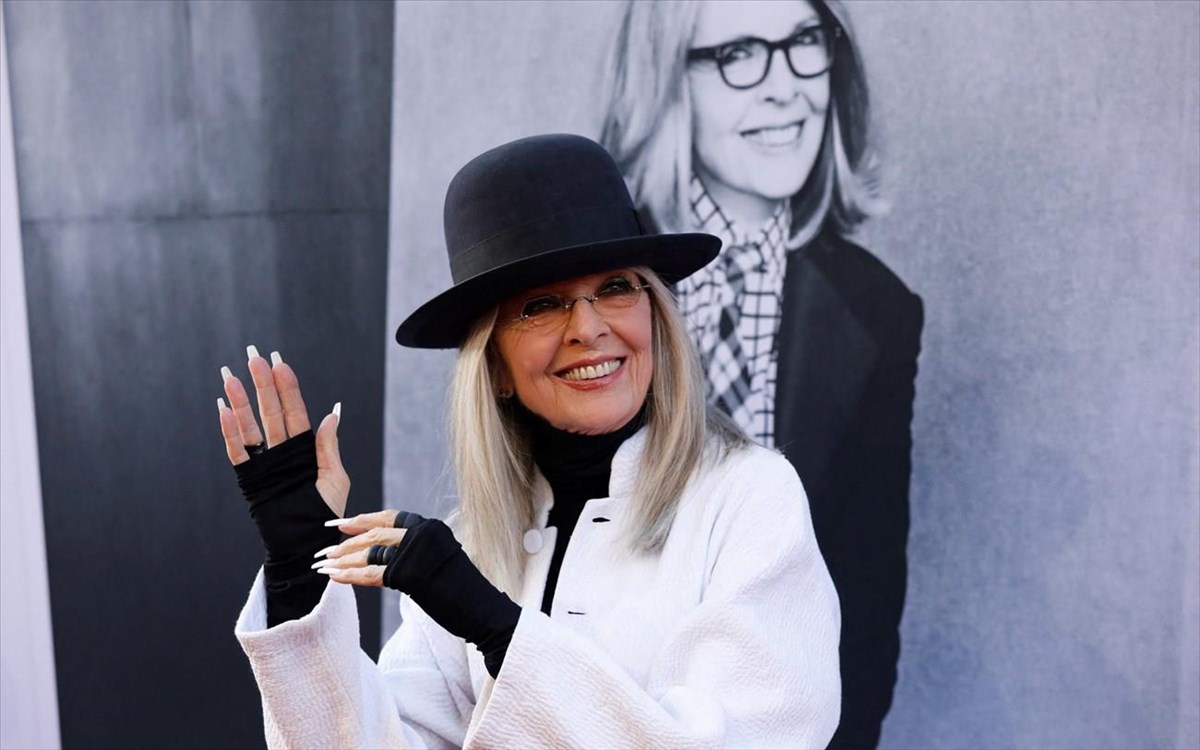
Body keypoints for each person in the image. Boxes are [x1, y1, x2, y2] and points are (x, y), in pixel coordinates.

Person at [219, 134, 841, 748]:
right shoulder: (473, 542)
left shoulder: (748, 497)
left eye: (617, 288)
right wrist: (300, 574)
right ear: (493, 366)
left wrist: (496, 628)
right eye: (542, 305)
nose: (590, 328)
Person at [600, 2, 923, 746]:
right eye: (739, 52)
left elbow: (864, 610)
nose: (785, 87)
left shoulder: (878, 311)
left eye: (805, 42)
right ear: (664, 79)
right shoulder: (582, 273)